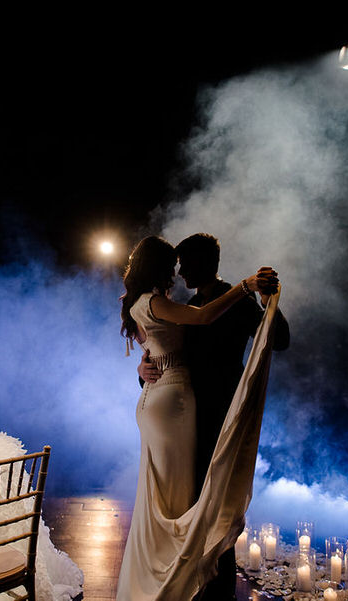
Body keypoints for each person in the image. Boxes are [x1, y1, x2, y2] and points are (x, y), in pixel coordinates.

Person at [116, 235, 280, 601]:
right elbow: (174, 350)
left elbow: (278, 337)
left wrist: (266, 300)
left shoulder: (234, 302)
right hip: (183, 414)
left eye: (185, 263)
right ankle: (184, 585)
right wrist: (143, 369)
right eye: (175, 264)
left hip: (217, 413)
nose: (179, 271)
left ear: (205, 263)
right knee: (188, 503)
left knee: (211, 504)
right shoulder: (184, 304)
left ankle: (209, 590)